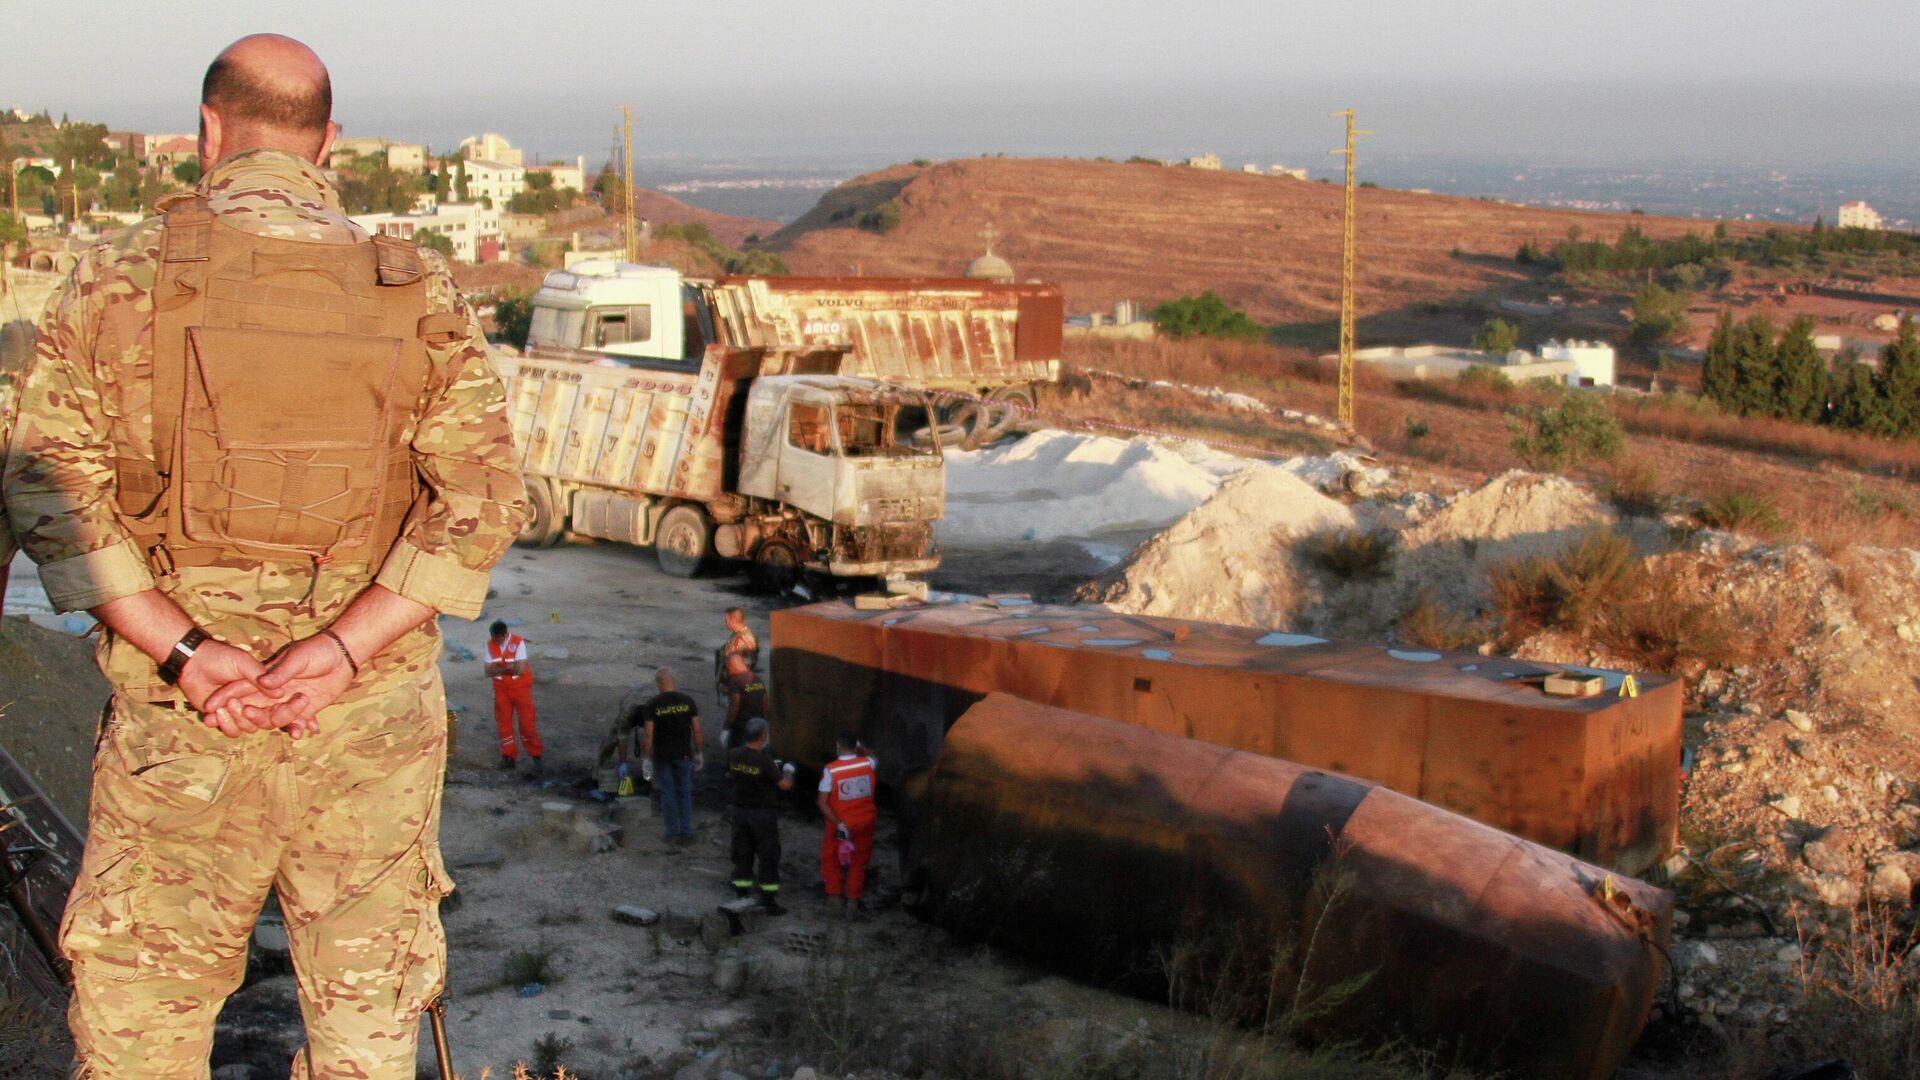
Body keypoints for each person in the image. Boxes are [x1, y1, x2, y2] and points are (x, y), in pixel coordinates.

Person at [1, 35, 527, 1078]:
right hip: (365, 732)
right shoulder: (414, 289)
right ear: (328, 142)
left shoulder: (121, 278)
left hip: (181, 729)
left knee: (143, 1030)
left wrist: (188, 651)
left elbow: (46, 490)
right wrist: (335, 653)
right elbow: (484, 500)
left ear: (209, 131)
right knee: (367, 1030)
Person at [726, 716, 792, 914]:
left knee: (742, 853)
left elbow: (729, 775)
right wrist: (788, 770)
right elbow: (784, 785)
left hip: (740, 813)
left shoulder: (733, 754)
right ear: (763, 735)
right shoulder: (764, 760)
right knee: (768, 856)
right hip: (763, 815)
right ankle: (768, 900)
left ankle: (741, 895)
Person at [638, 665, 703, 845]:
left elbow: (648, 736)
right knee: (684, 792)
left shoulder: (652, 704)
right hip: (683, 754)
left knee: (668, 792)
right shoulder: (687, 701)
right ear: (674, 681)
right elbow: (697, 731)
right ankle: (687, 832)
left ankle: (672, 833)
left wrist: (646, 759)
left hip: (663, 755)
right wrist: (699, 752)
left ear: (659, 683)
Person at [817, 731, 879, 918]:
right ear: (856, 746)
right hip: (864, 823)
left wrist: (838, 823)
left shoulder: (831, 770)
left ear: (837, 745)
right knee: (859, 863)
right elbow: (874, 756)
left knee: (831, 860)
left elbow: (822, 803)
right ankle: (852, 904)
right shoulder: (867, 763)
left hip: (840, 825)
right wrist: (861, 748)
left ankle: (834, 900)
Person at [486, 618, 543, 776]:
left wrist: (500, 668)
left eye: (498, 638)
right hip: (501, 690)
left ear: (505, 635)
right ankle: (508, 756)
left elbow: (520, 669)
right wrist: (508, 667)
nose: (496, 641)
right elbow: (487, 671)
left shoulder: (518, 643)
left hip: (520, 689)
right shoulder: (490, 644)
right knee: (503, 723)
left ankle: (536, 757)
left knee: (527, 724)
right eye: (494, 638)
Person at [721, 651, 768, 748]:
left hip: (741, 726)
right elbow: (765, 703)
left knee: (736, 752)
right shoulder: (757, 679)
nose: (728, 671)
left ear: (731, 666)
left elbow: (734, 707)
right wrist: (766, 723)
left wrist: (726, 728)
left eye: (728, 668)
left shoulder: (735, 681)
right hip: (758, 723)